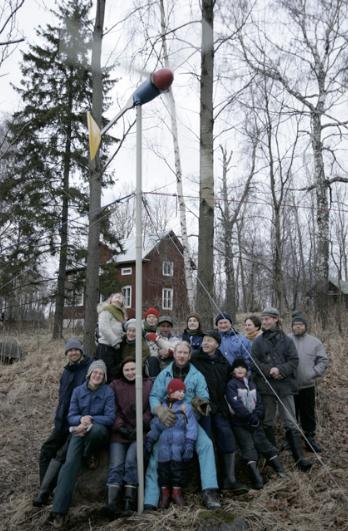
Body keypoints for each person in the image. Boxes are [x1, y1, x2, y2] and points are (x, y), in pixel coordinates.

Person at [144, 341, 221, 510]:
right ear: (174, 353)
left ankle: (209, 491)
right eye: (179, 352)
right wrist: (159, 410)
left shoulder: (197, 376)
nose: (181, 355)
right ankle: (150, 498)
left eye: (185, 353)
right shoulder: (164, 374)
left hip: (188, 422)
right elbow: (154, 396)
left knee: (206, 445)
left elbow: (204, 399)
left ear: (189, 355)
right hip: (168, 420)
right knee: (157, 451)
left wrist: (197, 404)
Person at [49, 360, 116, 528]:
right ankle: (59, 511)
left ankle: (88, 453)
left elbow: (110, 417)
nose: (97, 376)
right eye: (95, 373)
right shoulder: (78, 391)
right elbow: (71, 415)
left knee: (97, 431)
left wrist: (90, 420)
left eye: (101, 374)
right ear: (89, 374)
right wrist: (80, 420)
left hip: (98, 432)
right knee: (70, 464)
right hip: (79, 432)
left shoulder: (108, 392)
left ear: (104, 377)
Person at [251, 307, 312, 471]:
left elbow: (293, 360)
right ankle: (273, 460)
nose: (265, 322)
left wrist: (281, 370)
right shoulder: (258, 342)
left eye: (268, 319)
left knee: (291, 422)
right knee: (267, 422)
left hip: (285, 387)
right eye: (263, 319)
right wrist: (269, 371)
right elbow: (254, 363)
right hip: (266, 388)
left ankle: (299, 459)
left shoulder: (287, 340)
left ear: (276, 320)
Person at [33, 338, 91, 507]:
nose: (73, 353)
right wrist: (58, 421)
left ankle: (46, 492)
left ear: (81, 351)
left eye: (76, 350)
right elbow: (62, 399)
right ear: (66, 354)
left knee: (61, 455)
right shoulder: (66, 371)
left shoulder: (89, 367)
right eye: (69, 351)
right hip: (62, 422)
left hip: (78, 422)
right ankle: (44, 487)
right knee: (46, 449)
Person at [191, 330, 248, 494]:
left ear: (217, 344)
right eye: (204, 340)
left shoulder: (223, 362)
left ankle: (230, 480)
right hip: (202, 405)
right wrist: (201, 407)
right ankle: (208, 484)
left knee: (227, 437)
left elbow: (231, 382)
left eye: (209, 341)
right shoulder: (195, 358)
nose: (206, 343)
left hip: (220, 406)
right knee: (207, 443)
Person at [226, 358, 286, 489]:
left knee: (263, 443)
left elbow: (259, 402)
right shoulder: (232, 385)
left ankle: (280, 470)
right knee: (248, 447)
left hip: (254, 421)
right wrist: (247, 416)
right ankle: (256, 477)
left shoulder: (252, 384)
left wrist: (257, 415)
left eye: (243, 367)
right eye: (237, 367)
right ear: (233, 370)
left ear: (247, 370)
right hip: (240, 423)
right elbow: (235, 404)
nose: (240, 370)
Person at [106, 358, 152, 516]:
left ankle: (128, 502)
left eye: (133, 369)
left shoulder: (147, 384)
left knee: (132, 461)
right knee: (116, 464)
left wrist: (142, 425)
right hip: (120, 433)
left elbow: (150, 409)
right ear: (122, 371)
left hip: (140, 433)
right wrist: (121, 427)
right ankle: (112, 503)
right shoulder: (114, 386)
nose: (131, 373)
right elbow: (112, 410)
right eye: (127, 370)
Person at [145, 378, 198, 508]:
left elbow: (191, 427)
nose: (182, 394)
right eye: (178, 391)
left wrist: (189, 444)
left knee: (177, 472)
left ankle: (176, 493)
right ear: (170, 391)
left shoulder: (186, 408)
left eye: (183, 391)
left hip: (178, 448)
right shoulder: (162, 407)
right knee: (163, 472)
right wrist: (150, 440)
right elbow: (156, 426)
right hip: (163, 449)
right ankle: (165, 495)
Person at [289, 312, 328, 452]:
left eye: (300, 325)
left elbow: (323, 360)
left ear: (305, 326)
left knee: (308, 414)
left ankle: (309, 440)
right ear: (292, 327)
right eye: (295, 325)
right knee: (291, 414)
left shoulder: (314, 342)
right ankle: (291, 440)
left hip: (307, 385)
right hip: (290, 386)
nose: (298, 327)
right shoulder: (287, 340)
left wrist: (314, 373)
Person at [95, 293, 127, 383]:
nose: (119, 297)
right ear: (110, 299)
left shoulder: (121, 314)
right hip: (106, 347)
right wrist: (115, 341)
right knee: (107, 373)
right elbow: (104, 328)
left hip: (117, 347)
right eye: (116, 296)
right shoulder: (106, 310)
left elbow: (120, 329)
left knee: (115, 372)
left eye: (121, 297)